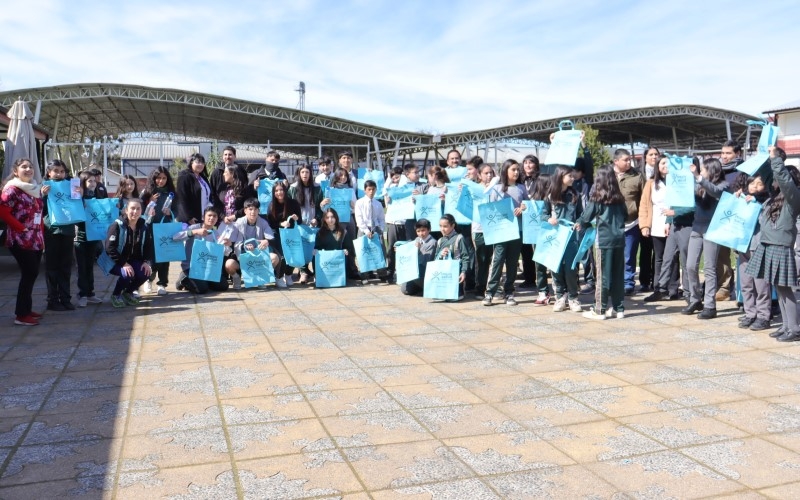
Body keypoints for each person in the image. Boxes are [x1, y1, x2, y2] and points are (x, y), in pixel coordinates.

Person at [748, 148, 800, 342]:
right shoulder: (776, 197)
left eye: (780, 178)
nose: (775, 181)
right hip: (769, 244)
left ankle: (794, 329)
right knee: (779, 288)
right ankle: (786, 326)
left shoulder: (794, 197)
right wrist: (764, 156)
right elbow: (768, 174)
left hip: (780, 246)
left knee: (786, 290)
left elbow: (783, 179)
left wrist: (776, 159)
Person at [575, 165, 628, 320]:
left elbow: (586, 216)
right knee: (618, 275)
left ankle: (599, 309)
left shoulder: (597, 198)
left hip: (604, 241)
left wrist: (580, 223)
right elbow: (625, 215)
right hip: (619, 239)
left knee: (603, 276)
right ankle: (619, 308)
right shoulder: (619, 198)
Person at [1, 158, 45, 326]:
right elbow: (3, 212)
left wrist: (41, 235)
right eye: (24, 167)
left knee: (32, 274)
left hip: (35, 238)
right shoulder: (12, 190)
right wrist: (22, 228)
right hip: (19, 239)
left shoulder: (35, 189)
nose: (28, 169)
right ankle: (21, 315)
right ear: (15, 171)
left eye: (30, 167)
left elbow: (39, 214)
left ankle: (27, 309)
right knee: (30, 272)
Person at [684, 158, 728, 319]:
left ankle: (710, 306)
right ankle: (695, 299)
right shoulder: (699, 185)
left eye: (703, 170)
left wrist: (698, 177)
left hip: (713, 230)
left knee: (709, 268)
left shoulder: (723, 185)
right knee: (690, 266)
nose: (701, 172)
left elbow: (714, 191)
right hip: (697, 227)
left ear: (712, 170)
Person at [483, 159, 528, 306]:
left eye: (517, 170)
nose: (516, 172)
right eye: (513, 169)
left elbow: (528, 206)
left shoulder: (522, 188)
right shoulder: (496, 188)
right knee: (498, 261)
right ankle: (490, 292)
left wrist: (523, 208)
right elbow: (490, 209)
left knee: (512, 262)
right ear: (505, 171)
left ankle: (509, 292)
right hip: (501, 232)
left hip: (518, 231)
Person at [640, 155, 681, 302]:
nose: (665, 166)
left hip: (674, 223)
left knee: (674, 257)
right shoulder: (651, 183)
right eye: (662, 163)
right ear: (657, 166)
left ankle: (673, 289)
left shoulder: (677, 182)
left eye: (668, 163)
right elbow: (644, 204)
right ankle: (658, 288)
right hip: (657, 224)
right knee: (659, 258)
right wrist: (644, 225)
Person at [543, 165, 583, 313]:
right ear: (561, 177)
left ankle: (573, 298)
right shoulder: (550, 195)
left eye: (573, 176)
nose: (573, 178)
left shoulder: (575, 195)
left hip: (571, 238)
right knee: (556, 267)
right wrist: (549, 219)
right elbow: (543, 214)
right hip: (555, 238)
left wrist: (579, 222)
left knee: (571, 268)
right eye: (570, 176)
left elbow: (580, 214)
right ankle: (560, 296)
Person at [735, 173, 772, 331]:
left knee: (761, 284)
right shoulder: (741, 199)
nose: (755, 187)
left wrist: (756, 203)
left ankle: (763, 316)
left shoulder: (768, 201)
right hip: (742, 247)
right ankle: (750, 313)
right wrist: (738, 199)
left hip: (758, 247)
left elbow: (765, 221)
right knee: (746, 283)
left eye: (759, 184)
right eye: (752, 183)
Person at [173, 206, 238, 294]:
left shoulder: (215, 233)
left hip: (207, 267)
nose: (212, 218)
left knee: (223, 286)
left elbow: (221, 253)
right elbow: (175, 237)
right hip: (192, 267)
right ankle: (184, 279)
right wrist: (194, 232)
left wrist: (228, 245)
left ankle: (203, 281)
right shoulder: (194, 227)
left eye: (215, 216)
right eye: (209, 215)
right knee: (202, 289)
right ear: (203, 217)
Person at [41, 159, 77, 311]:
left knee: (66, 266)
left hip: (67, 231)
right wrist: (42, 196)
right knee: (52, 267)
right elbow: (38, 209)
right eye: (55, 171)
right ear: (49, 172)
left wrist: (78, 194)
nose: (59, 174)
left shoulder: (71, 185)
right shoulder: (43, 187)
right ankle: (52, 300)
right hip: (52, 231)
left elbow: (77, 207)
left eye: (62, 171)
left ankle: (66, 298)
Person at [105, 198, 153, 308]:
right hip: (115, 261)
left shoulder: (144, 227)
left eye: (138, 209)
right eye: (132, 208)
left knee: (145, 272)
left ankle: (128, 292)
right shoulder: (116, 226)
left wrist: (146, 262)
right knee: (128, 273)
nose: (135, 212)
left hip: (133, 261)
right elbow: (109, 248)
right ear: (126, 210)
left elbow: (148, 247)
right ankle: (116, 295)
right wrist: (124, 264)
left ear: (141, 211)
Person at [612, 149, 645, 295]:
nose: (628, 162)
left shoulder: (637, 176)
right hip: (611, 223)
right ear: (616, 161)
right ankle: (613, 281)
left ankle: (628, 283)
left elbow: (644, 200)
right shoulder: (607, 175)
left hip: (631, 223)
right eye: (625, 160)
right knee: (612, 255)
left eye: (629, 159)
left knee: (629, 255)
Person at [141, 166, 176, 296]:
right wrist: (149, 202)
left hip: (165, 228)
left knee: (165, 256)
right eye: (158, 178)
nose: (161, 181)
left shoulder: (171, 193)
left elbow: (177, 209)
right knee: (151, 256)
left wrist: (170, 212)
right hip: (150, 228)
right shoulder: (147, 192)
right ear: (153, 178)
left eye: (164, 178)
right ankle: (148, 280)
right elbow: (139, 209)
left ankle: (162, 283)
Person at [232, 198, 281, 285]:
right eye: (250, 209)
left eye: (255, 209)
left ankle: (262, 277)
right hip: (243, 254)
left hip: (258, 252)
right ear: (245, 210)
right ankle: (237, 277)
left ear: (258, 211)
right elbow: (234, 242)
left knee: (275, 257)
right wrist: (244, 246)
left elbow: (270, 237)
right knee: (229, 265)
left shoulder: (263, 222)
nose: (253, 212)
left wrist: (266, 241)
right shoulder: (238, 223)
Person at [74, 170, 105, 307]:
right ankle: (82, 294)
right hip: (81, 236)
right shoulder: (77, 196)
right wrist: (81, 203)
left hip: (93, 235)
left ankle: (90, 293)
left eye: (94, 180)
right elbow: (75, 216)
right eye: (89, 181)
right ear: (83, 183)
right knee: (82, 267)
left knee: (90, 265)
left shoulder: (97, 194)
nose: (93, 183)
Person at [289, 163, 324, 283]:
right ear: (299, 173)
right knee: (301, 249)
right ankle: (303, 272)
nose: (305, 174)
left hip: (313, 224)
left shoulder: (317, 187)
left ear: (311, 173)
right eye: (302, 172)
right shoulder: (293, 188)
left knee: (314, 248)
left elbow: (320, 207)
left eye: (307, 172)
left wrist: (318, 219)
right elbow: (289, 207)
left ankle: (316, 272)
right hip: (299, 225)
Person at [266, 182, 302, 287]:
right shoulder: (271, 205)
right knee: (281, 256)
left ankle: (289, 274)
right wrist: (280, 224)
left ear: (285, 191)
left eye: (281, 190)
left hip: (291, 233)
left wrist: (296, 218)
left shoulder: (293, 203)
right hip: (277, 234)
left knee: (294, 253)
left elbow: (299, 221)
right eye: (276, 191)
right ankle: (279, 277)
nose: (279, 192)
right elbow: (271, 224)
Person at [354, 179, 389, 284]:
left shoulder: (378, 203)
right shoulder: (359, 202)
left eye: (373, 189)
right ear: (365, 190)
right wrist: (366, 230)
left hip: (376, 228)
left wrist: (380, 229)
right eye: (369, 189)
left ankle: (382, 273)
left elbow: (382, 219)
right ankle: (365, 274)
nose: (371, 192)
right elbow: (359, 219)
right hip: (364, 228)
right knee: (363, 252)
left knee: (379, 251)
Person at [314, 207, 360, 284]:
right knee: (314, 256)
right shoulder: (320, 233)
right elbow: (317, 247)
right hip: (325, 260)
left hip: (337, 260)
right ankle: (318, 275)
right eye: (327, 217)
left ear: (336, 218)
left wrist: (346, 250)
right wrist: (315, 251)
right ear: (324, 219)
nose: (330, 219)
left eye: (332, 217)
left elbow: (349, 247)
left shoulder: (343, 232)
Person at [471, 164, 497, 299]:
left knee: (495, 259)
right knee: (482, 260)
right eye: (486, 173)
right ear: (479, 175)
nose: (489, 175)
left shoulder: (496, 188)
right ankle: (480, 287)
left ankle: (493, 287)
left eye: (491, 173)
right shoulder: (474, 189)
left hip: (494, 227)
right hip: (479, 229)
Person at [637, 146, 661, 294]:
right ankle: (644, 281)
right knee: (645, 251)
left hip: (659, 217)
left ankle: (656, 281)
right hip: (645, 216)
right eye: (651, 154)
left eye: (656, 154)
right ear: (645, 157)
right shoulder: (640, 174)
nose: (654, 157)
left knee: (658, 252)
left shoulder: (664, 172)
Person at [530, 174, 555, 305]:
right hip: (537, 235)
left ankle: (556, 291)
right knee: (540, 264)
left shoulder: (553, 199)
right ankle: (543, 291)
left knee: (550, 264)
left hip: (549, 235)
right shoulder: (533, 200)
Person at [434, 214, 469, 302]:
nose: (442, 229)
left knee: (454, 297)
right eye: (440, 226)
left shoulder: (459, 238)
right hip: (443, 272)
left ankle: (459, 292)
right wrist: (440, 255)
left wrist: (463, 272)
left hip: (455, 271)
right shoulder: (440, 241)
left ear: (453, 226)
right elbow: (435, 259)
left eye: (445, 226)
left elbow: (465, 257)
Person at [400, 218, 437, 296]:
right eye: (418, 231)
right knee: (405, 289)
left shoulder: (432, 242)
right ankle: (420, 287)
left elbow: (425, 261)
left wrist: (418, 249)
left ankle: (425, 287)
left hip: (424, 271)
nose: (421, 233)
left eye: (423, 230)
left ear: (429, 229)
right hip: (416, 269)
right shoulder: (417, 239)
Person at [383, 166, 407, 284]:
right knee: (391, 249)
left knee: (404, 248)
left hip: (405, 222)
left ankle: (403, 272)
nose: (395, 179)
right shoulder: (390, 188)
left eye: (398, 176)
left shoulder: (406, 187)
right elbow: (384, 192)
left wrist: (402, 178)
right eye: (393, 177)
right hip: (393, 222)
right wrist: (389, 179)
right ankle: (390, 272)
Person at [519, 154, 540, 288]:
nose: (528, 165)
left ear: (536, 165)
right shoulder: (520, 180)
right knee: (525, 249)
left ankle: (541, 275)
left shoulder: (541, 179)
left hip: (537, 215)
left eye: (531, 162)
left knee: (538, 247)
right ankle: (529, 277)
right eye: (525, 163)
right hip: (522, 217)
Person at [175, 153, 212, 226]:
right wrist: (188, 217)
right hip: (191, 219)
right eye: (198, 162)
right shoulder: (184, 176)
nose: (200, 164)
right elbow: (182, 198)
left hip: (203, 216)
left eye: (202, 162)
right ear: (191, 162)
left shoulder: (203, 177)